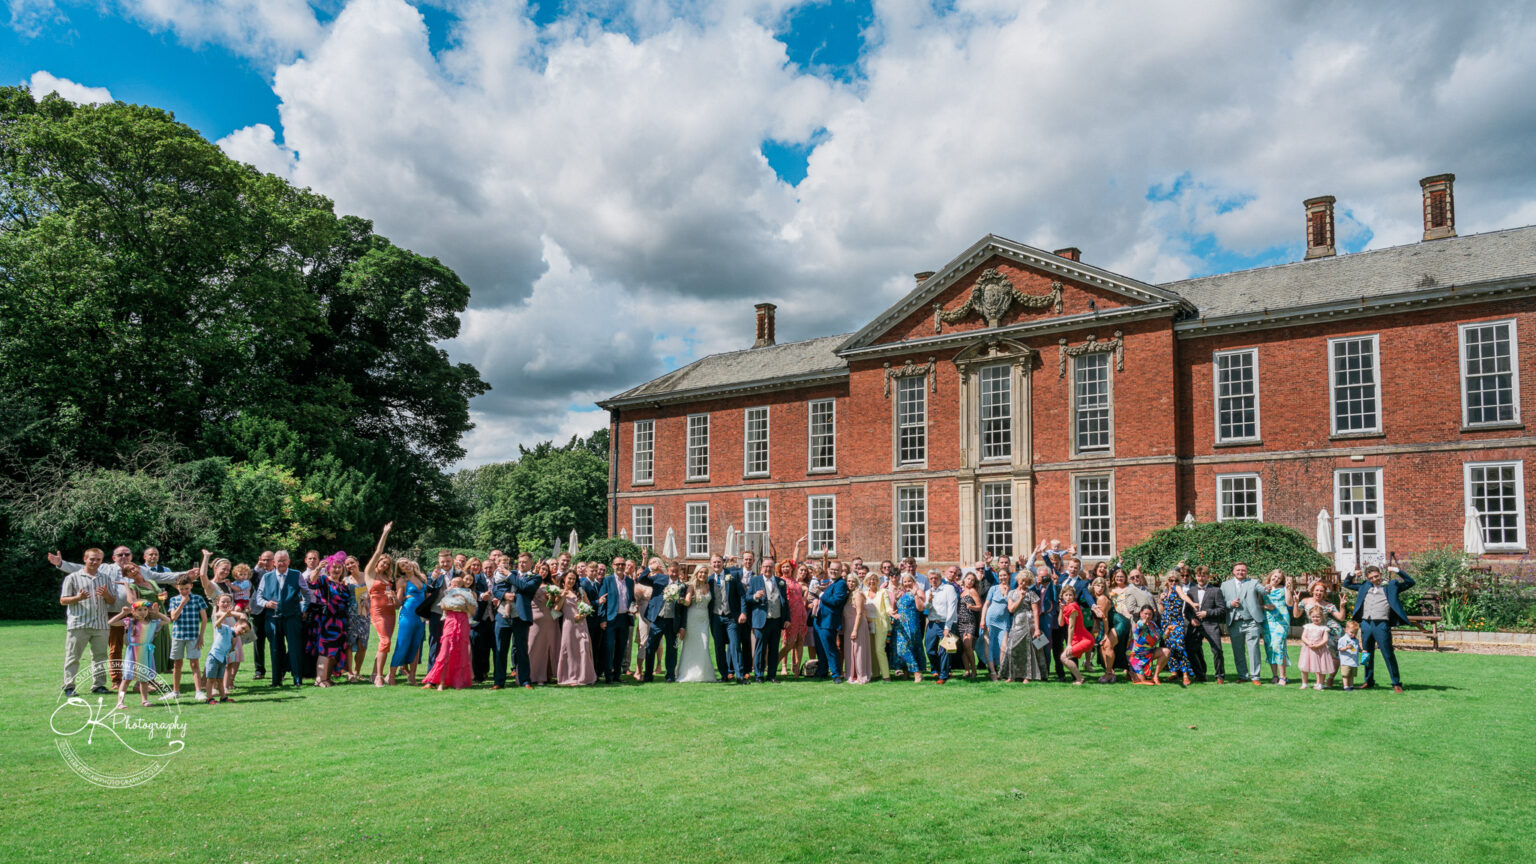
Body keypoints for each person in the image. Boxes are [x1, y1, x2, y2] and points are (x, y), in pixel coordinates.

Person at [1342, 563, 1415, 693]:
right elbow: (1346, 584)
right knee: (1366, 654)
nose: (1374, 579)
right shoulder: (1365, 586)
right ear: (1368, 579)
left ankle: (1396, 683)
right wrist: (1353, 574)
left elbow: (1411, 582)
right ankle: (1368, 681)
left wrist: (1397, 570)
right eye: (1371, 578)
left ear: (1380, 574)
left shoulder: (1391, 586)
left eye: (1376, 576)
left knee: (1388, 654)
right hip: (1366, 624)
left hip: (1381, 624)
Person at [58, 547, 118, 697]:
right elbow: (63, 600)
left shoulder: (105, 578)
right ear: (85, 559)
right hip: (79, 624)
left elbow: (112, 601)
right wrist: (77, 598)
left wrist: (105, 594)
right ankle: (69, 686)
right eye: (92, 559)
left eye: (98, 559)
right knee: (73, 657)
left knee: (100, 657)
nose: (95, 562)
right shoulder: (72, 577)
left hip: (100, 624)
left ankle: (99, 685)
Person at [254, 550, 309, 688]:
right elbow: (258, 597)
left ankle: (297, 679)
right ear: (274, 562)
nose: (282, 563)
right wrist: (266, 604)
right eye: (279, 561)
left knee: (295, 648)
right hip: (272, 618)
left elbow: (307, 594)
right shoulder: (267, 577)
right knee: (275, 649)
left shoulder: (297, 574)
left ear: (289, 562)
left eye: (284, 560)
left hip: (292, 617)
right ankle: (276, 680)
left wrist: (303, 609)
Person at [492, 552, 544, 689]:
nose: (521, 564)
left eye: (525, 562)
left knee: (522, 649)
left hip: (521, 616)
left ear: (531, 563)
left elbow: (525, 587)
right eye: (520, 562)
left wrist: (510, 575)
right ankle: (498, 681)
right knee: (500, 649)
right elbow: (495, 589)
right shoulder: (508, 573)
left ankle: (525, 681)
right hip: (502, 615)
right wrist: (504, 594)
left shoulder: (535, 577)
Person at [109, 600, 169, 709]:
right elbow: (111, 622)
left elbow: (167, 620)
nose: (143, 612)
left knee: (144, 679)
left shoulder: (152, 623)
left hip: (145, 653)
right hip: (133, 653)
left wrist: (157, 612)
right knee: (127, 679)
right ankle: (120, 702)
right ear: (134, 611)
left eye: (145, 610)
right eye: (139, 610)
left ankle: (144, 700)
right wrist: (122, 613)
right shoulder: (130, 621)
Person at [305, 552, 354, 688]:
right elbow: (311, 581)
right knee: (325, 650)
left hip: (340, 621)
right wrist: (318, 568)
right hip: (326, 621)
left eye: (339, 567)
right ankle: (319, 679)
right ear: (328, 568)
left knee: (335, 650)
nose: (336, 570)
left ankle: (327, 677)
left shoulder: (344, 584)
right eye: (334, 567)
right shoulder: (323, 580)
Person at [422, 574, 475, 690]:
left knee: (461, 651)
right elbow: (444, 607)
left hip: (463, 621)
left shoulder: (468, 594)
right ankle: (440, 681)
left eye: (457, 584)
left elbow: (472, 610)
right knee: (445, 650)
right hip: (450, 621)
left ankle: (458, 681)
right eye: (453, 583)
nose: (454, 586)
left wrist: (463, 605)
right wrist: (454, 604)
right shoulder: (447, 594)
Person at [361, 525, 397, 686]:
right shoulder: (370, 574)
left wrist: (394, 596)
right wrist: (385, 533)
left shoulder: (387, 579)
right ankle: (379, 677)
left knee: (385, 643)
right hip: (378, 612)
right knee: (385, 641)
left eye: (388, 564)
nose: (384, 565)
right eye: (383, 562)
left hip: (390, 612)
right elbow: (377, 551)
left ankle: (374, 673)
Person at [1294, 580, 1346, 688]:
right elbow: (1296, 615)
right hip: (1313, 631)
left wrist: (1342, 606)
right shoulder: (1305, 601)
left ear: (1324, 593)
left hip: (1329, 631)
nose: (1319, 593)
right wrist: (1295, 602)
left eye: (1321, 591)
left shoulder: (1328, 605)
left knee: (1332, 656)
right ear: (1312, 591)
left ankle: (1330, 679)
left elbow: (1341, 617)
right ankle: (1318, 682)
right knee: (1315, 655)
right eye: (1317, 590)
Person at [637, 558, 683, 682]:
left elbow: (683, 609)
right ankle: (648, 675)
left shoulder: (682, 586)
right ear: (668, 571)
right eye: (672, 571)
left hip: (672, 621)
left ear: (679, 572)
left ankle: (670, 675)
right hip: (658, 619)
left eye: (676, 572)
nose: (673, 574)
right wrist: (651, 568)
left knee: (672, 649)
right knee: (651, 647)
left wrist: (682, 626)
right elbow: (641, 579)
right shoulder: (659, 579)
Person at [166, 573, 210, 701]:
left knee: (194, 663)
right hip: (178, 636)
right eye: (181, 589)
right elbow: (173, 618)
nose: (184, 591)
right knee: (177, 664)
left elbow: (204, 618)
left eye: (186, 588)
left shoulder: (198, 599)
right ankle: (175, 691)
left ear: (191, 586)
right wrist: (182, 603)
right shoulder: (174, 600)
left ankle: (198, 691)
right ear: (177, 588)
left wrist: (201, 636)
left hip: (193, 636)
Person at [1221, 562, 1267, 685]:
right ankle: (1243, 676)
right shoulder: (1225, 585)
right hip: (1234, 622)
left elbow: (1263, 591)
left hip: (1251, 621)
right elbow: (1220, 603)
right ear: (1233, 571)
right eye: (1238, 570)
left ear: (1246, 572)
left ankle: (1255, 677)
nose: (1240, 572)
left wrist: (1269, 587)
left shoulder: (1254, 582)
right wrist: (1230, 603)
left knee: (1254, 650)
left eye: (1243, 570)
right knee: (1238, 651)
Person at [1000, 567, 1045, 682]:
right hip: (1017, 623)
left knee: (1029, 650)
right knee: (1011, 649)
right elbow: (1011, 609)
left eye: (1026, 581)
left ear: (1029, 582)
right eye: (1022, 580)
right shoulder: (1011, 593)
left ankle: (1027, 676)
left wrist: (1037, 629)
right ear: (1018, 579)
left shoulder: (1032, 594)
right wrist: (1020, 597)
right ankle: (1011, 675)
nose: (1023, 582)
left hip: (1029, 623)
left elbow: (1036, 611)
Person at [707, 553, 746, 684]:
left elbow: (742, 595)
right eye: (714, 562)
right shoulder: (709, 579)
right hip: (716, 617)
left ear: (722, 563)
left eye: (718, 562)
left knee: (735, 645)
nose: (716, 564)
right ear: (711, 564)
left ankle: (739, 675)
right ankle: (724, 675)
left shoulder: (732, 576)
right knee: (719, 647)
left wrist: (743, 612)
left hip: (731, 617)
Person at [748, 562, 789, 682]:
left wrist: (787, 618)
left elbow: (784, 602)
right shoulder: (755, 581)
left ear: (773, 569)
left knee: (774, 649)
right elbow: (747, 598)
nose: (768, 569)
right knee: (760, 649)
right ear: (761, 568)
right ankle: (759, 675)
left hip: (776, 620)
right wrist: (755, 596)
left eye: (770, 567)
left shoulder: (780, 582)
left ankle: (772, 675)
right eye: (765, 567)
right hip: (761, 620)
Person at [598, 557, 636, 684]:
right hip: (610, 619)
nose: (620, 566)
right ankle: (608, 676)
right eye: (618, 564)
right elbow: (602, 600)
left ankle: (617, 675)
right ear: (613, 566)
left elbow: (632, 599)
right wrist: (603, 619)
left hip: (624, 618)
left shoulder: (630, 582)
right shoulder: (607, 580)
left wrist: (633, 606)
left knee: (621, 648)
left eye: (622, 564)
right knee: (609, 648)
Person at [1186, 565, 1227, 684]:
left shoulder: (1216, 591)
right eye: (1199, 576)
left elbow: (1221, 609)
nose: (1201, 578)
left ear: (1208, 576)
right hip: (1196, 625)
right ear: (1196, 576)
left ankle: (1220, 675)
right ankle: (1200, 674)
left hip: (1210, 624)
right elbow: (1187, 611)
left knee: (1217, 650)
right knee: (1191, 650)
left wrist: (1207, 613)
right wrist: (1191, 619)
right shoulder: (1191, 591)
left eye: (1203, 576)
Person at [556, 571, 597, 686]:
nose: (571, 581)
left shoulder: (580, 591)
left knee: (583, 647)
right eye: (569, 578)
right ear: (564, 578)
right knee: (569, 650)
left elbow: (589, 606)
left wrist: (583, 615)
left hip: (581, 623)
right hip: (568, 624)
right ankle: (570, 677)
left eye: (574, 579)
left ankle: (585, 677)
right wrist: (563, 596)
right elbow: (556, 608)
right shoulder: (559, 592)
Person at [677, 565, 717, 683]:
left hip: (704, 619)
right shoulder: (691, 586)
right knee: (691, 646)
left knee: (704, 645)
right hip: (692, 618)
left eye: (705, 573)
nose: (702, 575)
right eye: (700, 572)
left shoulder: (709, 586)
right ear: (696, 573)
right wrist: (677, 598)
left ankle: (703, 674)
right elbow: (687, 601)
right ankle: (688, 673)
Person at [203, 596, 247, 703]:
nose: (226, 604)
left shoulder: (232, 632)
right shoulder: (220, 618)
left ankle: (223, 697)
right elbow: (217, 623)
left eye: (228, 602)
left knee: (220, 679)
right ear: (217, 603)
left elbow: (243, 616)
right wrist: (228, 614)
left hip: (222, 657)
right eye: (223, 602)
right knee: (211, 679)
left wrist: (232, 645)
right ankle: (209, 698)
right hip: (214, 656)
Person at [390, 560, 428, 685]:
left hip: (421, 616)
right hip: (408, 614)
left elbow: (427, 596)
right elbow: (398, 603)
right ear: (401, 570)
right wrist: (394, 597)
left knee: (416, 645)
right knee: (402, 643)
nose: (407, 565)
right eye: (403, 566)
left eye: (407, 562)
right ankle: (391, 676)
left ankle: (412, 676)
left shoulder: (422, 578)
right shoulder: (402, 581)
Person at [811, 563, 850, 683]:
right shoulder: (831, 583)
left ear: (840, 571)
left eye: (836, 570)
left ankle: (836, 675)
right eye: (831, 569)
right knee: (821, 649)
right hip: (819, 620)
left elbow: (836, 602)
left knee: (830, 649)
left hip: (828, 621)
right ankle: (823, 672)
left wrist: (820, 594)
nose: (833, 571)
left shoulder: (841, 584)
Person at [923, 567, 960, 684]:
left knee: (945, 649)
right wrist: (929, 601)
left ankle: (943, 676)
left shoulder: (949, 589)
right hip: (933, 623)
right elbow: (926, 609)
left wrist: (947, 627)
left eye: (936, 578)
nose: (933, 580)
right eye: (931, 578)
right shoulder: (928, 592)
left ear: (940, 578)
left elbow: (952, 608)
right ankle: (936, 669)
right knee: (929, 649)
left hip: (947, 623)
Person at [1159, 568, 1193, 687]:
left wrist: (1193, 604)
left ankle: (1185, 674)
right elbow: (1163, 609)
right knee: (1169, 648)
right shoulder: (1165, 590)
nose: (1173, 582)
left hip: (1176, 622)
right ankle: (1174, 672)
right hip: (1165, 622)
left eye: (1175, 580)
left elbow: (1183, 597)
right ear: (1167, 580)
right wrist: (1161, 600)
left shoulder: (1178, 588)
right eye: (1170, 580)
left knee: (1179, 646)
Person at [528, 562, 560, 685]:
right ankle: (530, 675)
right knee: (532, 646)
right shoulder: (531, 582)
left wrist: (551, 597)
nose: (544, 572)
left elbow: (555, 602)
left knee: (547, 647)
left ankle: (546, 675)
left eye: (546, 570)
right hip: (534, 617)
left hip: (549, 618)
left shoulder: (551, 584)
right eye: (542, 569)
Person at [1262, 570, 1295, 685]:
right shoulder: (1263, 589)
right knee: (1269, 647)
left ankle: (1283, 677)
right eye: (1275, 577)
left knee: (1278, 646)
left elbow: (1290, 604)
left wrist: (1288, 589)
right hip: (1267, 621)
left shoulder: (1284, 588)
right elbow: (1257, 604)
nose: (1276, 579)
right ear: (1270, 576)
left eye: (1279, 578)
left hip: (1281, 620)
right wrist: (1266, 606)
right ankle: (1275, 675)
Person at [1058, 585, 1095, 685]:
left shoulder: (1073, 607)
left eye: (1071, 595)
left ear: (1074, 596)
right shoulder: (1066, 607)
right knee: (1065, 657)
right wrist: (1061, 609)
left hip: (1085, 639)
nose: (1068, 597)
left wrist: (1069, 644)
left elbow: (1071, 627)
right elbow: (1060, 623)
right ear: (1062, 596)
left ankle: (1080, 679)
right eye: (1066, 595)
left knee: (1064, 657)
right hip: (1077, 638)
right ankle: (1079, 678)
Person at [343, 556, 371, 683]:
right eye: (347, 564)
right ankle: (349, 672)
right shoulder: (345, 580)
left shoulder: (367, 576)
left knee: (362, 645)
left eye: (352, 563)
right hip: (350, 615)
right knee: (349, 644)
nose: (350, 566)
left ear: (358, 563)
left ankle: (357, 671)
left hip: (364, 615)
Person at [1296, 605, 1338, 691]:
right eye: (1313, 616)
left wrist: (1319, 645)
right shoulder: (1307, 626)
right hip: (1308, 649)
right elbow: (1303, 637)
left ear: (1322, 617)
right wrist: (1309, 643)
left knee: (1321, 667)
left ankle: (1320, 684)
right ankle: (1304, 683)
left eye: (1318, 616)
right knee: (1304, 667)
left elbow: (1325, 639)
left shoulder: (1324, 628)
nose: (1315, 618)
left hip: (1320, 650)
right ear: (1310, 616)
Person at [982, 570, 1011, 680]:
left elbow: (1011, 607)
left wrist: (1007, 592)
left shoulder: (1012, 590)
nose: (1003, 577)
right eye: (1000, 575)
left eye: (1005, 575)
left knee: (1004, 647)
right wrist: (982, 620)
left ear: (1008, 576)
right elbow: (986, 604)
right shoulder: (993, 588)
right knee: (989, 645)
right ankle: (993, 671)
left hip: (1004, 621)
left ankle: (1002, 671)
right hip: (991, 620)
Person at [783, 561, 811, 676]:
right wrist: (798, 546)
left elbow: (804, 601)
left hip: (801, 613)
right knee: (787, 641)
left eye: (805, 570)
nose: (803, 572)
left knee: (799, 641)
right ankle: (782, 665)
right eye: (801, 570)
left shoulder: (803, 584)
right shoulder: (786, 580)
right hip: (790, 613)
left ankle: (796, 667)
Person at [842, 573, 871, 684]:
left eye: (853, 581)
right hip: (848, 626)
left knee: (858, 650)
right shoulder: (848, 594)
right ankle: (852, 674)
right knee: (850, 651)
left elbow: (859, 613)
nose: (851, 583)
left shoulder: (858, 594)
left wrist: (855, 630)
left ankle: (861, 675)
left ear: (857, 583)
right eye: (849, 581)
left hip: (857, 625)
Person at [863, 572, 890, 682]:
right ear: (866, 581)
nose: (872, 581)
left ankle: (886, 675)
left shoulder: (883, 592)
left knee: (879, 649)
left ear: (878, 581)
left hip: (881, 624)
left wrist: (891, 612)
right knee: (871, 650)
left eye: (874, 579)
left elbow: (888, 607)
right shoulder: (863, 593)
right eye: (869, 579)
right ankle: (874, 673)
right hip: (867, 624)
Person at [1128, 606, 1166, 685]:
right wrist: (1144, 622)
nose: (1148, 616)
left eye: (1150, 614)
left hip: (1149, 653)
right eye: (1145, 614)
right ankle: (1131, 672)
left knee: (1166, 652)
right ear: (1141, 613)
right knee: (1141, 681)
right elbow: (1141, 626)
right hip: (1137, 657)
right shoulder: (1139, 623)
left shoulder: (1153, 624)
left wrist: (1169, 630)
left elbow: (1163, 637)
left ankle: (1155, 677)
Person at [955, 572, 982, 680]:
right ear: (964, 579)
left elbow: (980, 606)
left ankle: (974, 671)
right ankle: (967, 670)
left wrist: (971, 607)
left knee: (968, 646)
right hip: (959, 622)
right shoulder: (960, 591)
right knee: (962, 648)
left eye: (972, 580)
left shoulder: (972, 591)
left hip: (969, 622)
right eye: (968, 579)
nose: (970, 581)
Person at [1337, 621, 1363, 691]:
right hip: (1345, 660)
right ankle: (1346, 686)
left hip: (1353, 661)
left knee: (1351, 675)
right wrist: (1346, 647)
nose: (1353, 634)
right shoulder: (1343, 639)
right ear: (1346, 630)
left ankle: (1351, 685)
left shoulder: (1356, 640)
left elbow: (1357, 649)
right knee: (1345, 674)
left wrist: (1362, 650)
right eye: (1351, 632)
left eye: (1355, 633)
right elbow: (1340, 648)